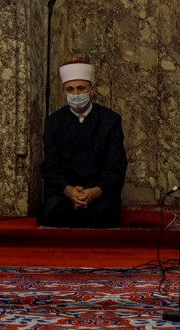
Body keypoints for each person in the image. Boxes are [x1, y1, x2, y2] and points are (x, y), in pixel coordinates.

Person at [37, 61, 127, 228]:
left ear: (92, 90)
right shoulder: (54, 122)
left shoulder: (110, 120)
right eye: (70, 89)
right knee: (52, 212)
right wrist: (69, 190)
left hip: (99, 192)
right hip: (65, 193)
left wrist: (95, 191)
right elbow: (50, 166)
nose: (76, 94)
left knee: (105, 214)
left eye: (81, 88)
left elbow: (116, 166)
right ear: (64, 91)